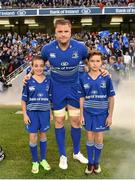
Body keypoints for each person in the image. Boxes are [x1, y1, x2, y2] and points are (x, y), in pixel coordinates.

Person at [24, 19, 108, 170]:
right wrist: (30, 74)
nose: (63, 35)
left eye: (66, 31)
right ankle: (63, 155)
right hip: (56, 89)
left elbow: (92, 61)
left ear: (71, 32)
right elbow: (38, 64)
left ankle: (76, 152)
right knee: (59, 121)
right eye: (60, 32)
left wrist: (101, 70)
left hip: (75, 87)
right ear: (55, 33)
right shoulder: (47, 49)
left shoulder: (80, 47)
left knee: (76, 121)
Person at [79, 51, 115, 174]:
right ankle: (90, 163)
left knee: (99, 137)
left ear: (101, 62)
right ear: (88, 62)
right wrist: (81, 114)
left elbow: (111, 97)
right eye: (92, 61)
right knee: (89, 137)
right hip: (88, 113)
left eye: (98, 61)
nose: (95, 64)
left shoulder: (106, 77)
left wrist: (110, 116)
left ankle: (96, 162)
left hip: (102, 113)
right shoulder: (83, 78)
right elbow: (82, 97)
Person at [21, 56, 51, 174]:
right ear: (32, 67)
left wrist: (50, 112)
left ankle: (43, 159)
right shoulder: (28, 80)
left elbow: (50, 98)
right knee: (33, 137)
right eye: (36, 65)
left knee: (43, 135)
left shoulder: (48, 80)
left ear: (44, 66)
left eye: (41, 66)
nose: (39, 68)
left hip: (44, 113)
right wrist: (25, 115)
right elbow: (23, 100)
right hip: (32, 114)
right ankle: (35, 161)